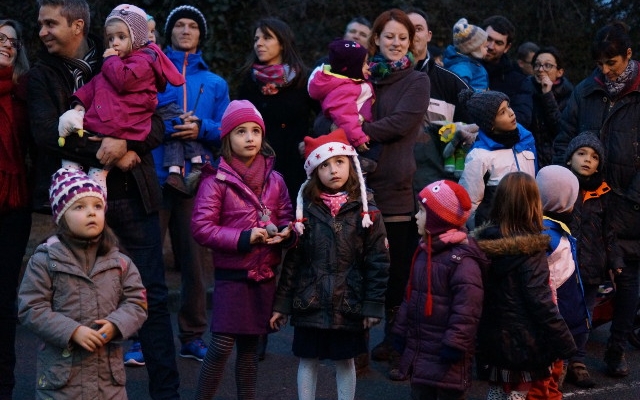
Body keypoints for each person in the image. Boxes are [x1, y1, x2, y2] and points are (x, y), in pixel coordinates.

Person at [28, 1, 181, 398]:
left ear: (77, 25)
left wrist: (127, 142)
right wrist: (107, 150)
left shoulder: (122, 47)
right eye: (40, 24)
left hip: (133, 194)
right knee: (77, 303)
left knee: (151, 295)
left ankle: (166, 393)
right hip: (78, 203)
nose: (41, 32)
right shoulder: (41, 75)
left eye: (50, 23)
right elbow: (46, 134)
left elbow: (158, 120)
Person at [270, 128, 389, 400]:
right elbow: (293, 262)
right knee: (307, 360)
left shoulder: (367, 212)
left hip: (348, 303)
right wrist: (282, 304)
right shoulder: (306, 211)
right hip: (309, 302)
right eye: (324, 165)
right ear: (315, 172)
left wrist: (372, 304)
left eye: (339, 162)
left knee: (345, 361)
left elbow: (378, 261)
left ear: (350, 164)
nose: (333, 170)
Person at [552, 21, 640, 378]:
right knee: (579, 278)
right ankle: (573, 354)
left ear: (628, 55)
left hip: (629, 202)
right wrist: (566, 182)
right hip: (584, 199)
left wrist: (633, 198)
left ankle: (617, 350)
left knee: (627, 276)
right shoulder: (586, 90)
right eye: (600, 63)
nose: (605, 70)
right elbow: (564, 136)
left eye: (612, 62)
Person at [191, 100, 294, 399]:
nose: (250, 138)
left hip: (264, 276)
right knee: (221, 346)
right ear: (227, 138)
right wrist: (244, 237)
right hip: (232, 277)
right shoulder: (216, 181)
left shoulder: (276, 180)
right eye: (241, 131)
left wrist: (286, 233)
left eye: (255, 131)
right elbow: (201, 227)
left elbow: (287, 217)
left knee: (250, 349)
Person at [146, 4, 230, 364]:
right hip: (154, 176)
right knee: (147, 260)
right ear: (169, 33)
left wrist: (201, 128)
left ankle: (193, 336)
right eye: (179, 25)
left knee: (195, 263)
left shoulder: (216, 83)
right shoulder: (149, 72)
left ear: (200, 35)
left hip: (196, 181)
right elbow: (136, 116)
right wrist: (166, 127)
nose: (185, 30)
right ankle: (142, 337)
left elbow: (228, 129)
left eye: (192, 26)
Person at [17, 167, 148, 399]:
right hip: (61, 382)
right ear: (61, 217)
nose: (91, 213)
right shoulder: (44, 261)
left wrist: (116, 325)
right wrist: (72, 331)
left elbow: (137, 302)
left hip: (108, 383)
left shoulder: (120, 262)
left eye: (97, 206)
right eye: (79, 207)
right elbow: (31, 307)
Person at [362, 9, 430, 379]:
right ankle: (356, 346)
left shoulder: (417, 80)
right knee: (360, 268)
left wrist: (358, 129)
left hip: (396, 188)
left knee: (398, 272)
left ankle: (397, 342)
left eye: (403, 37)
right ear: (376, 39)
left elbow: (401, 123)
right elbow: (332, 112)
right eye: (389, 36)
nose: (396, 43)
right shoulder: (361, 76)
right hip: (358, 185)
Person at [57, 3, 185, 193]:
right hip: (109, 123)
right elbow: (96, 84)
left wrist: (110, 60)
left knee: (98, 171)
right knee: (74, 161)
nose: (114, 43)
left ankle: (96, 195)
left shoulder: (143, 62)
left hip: (125, 124)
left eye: (121, 37)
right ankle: (71, 181)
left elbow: (123, 80)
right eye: (110, 38)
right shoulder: (116, 63)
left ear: (137, 37)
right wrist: (79, 104)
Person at [473, 171, 576, 400]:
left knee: (497, 389)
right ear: (533, 205)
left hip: (493, 337)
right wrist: (565, 341)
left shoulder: (483, 244)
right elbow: (540, 301)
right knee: (521, 392)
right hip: (525, 341)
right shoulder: (532, 250)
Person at [391, 180, 488, 400]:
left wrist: (455, 344)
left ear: (438, 219)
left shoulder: (462, 260)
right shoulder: (424, 251)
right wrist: (400, 331)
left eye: (422, 211)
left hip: (447, 357)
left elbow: (467, 310)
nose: (416, 217)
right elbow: (410, 297)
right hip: (420, 351)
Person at [237, 17, 314, 203]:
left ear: (282, 43)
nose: (259, 44)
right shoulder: (249, 80)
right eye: (256, 39)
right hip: (258, 166)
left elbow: (324, 117)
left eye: (267, 38)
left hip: (296, 165)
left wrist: (312, 142)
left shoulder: (304, 79)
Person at [565, 133, 621, 387]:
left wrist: (615, 261)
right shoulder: (562, 186)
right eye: (582, 153)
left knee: (584, 315)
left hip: (591, 267)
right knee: (560, 313)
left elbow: (609, 231)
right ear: (569, 159)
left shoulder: (603, 193)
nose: (588, 159)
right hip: (563, 267)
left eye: (594, 156)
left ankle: (577, 361)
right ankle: (557, 362)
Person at [534, 165, 591, 395]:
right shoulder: (550, 234)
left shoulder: (549, 230)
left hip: (554, 316)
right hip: (557, 315)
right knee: (548, 379)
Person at [404, 8, 471, 189]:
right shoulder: (381, 81)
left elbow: (477, 129)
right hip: (393, 185)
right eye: (406, 29)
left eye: (418, 29)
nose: (412, 34)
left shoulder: (452, 83)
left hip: (438, 186)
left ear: (429, 35)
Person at [0, 19, 30, 400]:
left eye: (12, 40)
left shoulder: (24, 91)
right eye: (0, 38)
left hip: (14, 203)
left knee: (4, 298)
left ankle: (4, 385)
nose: (7, 44)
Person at [457, 89, 537, 229]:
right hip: (497, 232)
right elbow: (470, 202)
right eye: (502, 112)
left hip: (528, 226)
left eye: (508, 106)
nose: (511, 113)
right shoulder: (480, 155)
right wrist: (479, 233)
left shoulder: (526, 141)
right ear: (491, 124)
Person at [308, 39, 379, 170]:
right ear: (351, 69)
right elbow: (346, 117)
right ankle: (358, 163)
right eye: (364, 64)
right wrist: (358, 139)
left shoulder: (350, 81)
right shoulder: (344, 89)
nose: (368, 66)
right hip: (351, 137)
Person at [481, 15, 534, 129]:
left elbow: (522, 119)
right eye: (488, 39)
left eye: (498, 43)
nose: (491, 46)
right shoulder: (462, 67)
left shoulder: (519, 82)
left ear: (507, 47)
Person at [529, 46, 573, 168]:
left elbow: (560, 129)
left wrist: (547, 94)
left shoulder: (569, 95)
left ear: (560, 72)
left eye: (547, 65)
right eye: (537, 65)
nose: (540, 70)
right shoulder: (525, 89)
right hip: (530, 157)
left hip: (556, 159)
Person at [442, 18, 488, 91]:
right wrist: (482, 94)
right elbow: (459, 90)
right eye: (485, 46)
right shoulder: (462, 68)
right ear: (475, 49)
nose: (487, 49)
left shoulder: (471, 63)